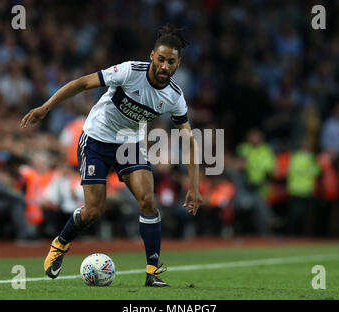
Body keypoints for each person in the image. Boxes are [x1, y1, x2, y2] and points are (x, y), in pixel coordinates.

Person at [20, 25, 203, 287]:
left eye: (171, 62)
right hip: (96, 139)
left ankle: (152, 272)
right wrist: (46, 107)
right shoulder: (129, 71)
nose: (164, 66)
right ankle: (60, 244)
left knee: (148, 201)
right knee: (94, 211)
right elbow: (82, 83)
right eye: (161, 59)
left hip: (129, 144)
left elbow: (190, 141)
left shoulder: (174, 96)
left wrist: (193, 186)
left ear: (178, 63)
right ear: (152, 55)